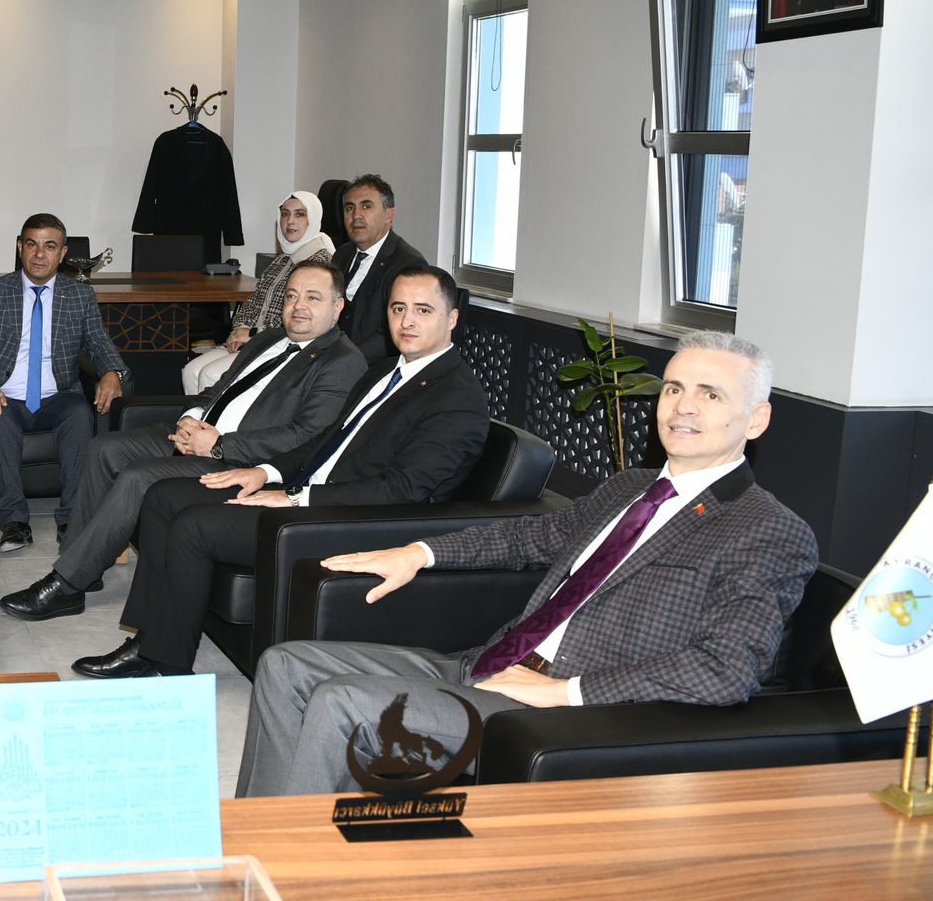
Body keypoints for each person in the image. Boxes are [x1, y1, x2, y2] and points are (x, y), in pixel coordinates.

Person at [240, 331, 818, 797]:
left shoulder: (765, 529)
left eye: (711, 395)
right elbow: (530, 536)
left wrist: (567, 692)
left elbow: (724, 671)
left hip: (563, 711)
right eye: (674, 388)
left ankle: (290, 870)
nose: (683, 407)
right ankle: (257, 847)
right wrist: (420, 552)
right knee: (286, 664)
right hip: (489, 664)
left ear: (756, 419)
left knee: (344, 701)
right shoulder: (629, 487)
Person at [75, 265, 489, 678]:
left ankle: (164, 661)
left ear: (451, 318)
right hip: (307, 491)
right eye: (398, 308)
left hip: (350, 518)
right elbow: (325, 440)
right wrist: (265, 472)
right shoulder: (384, 371)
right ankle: (151, 639)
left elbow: (402, 490)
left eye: (422, 310)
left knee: (194, 525)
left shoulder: (457, 397)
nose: (407, 321)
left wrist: (295, 497)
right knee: (163, 497)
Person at [0, 261, 363, 621]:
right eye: (292, 296)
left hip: (238, 460)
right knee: (103, 448)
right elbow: (218, 389)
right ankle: (84, 567)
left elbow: (305, 435)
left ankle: (66, 585)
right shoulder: (268, 339)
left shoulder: (341, 361)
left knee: (138, 476)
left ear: (337, 307)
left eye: (313, 297)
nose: (298, 306)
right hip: (199, 433)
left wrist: (219, 444)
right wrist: (192, 417)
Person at [0, 213, 130, 553]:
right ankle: (14, 522)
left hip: (57, 397)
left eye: (49, 246)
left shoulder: (79, 295)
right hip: (5, 395)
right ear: (20, 247)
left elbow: (99, 344)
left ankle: (72, 519)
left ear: (62, 253)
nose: (39, 254)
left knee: (80, 413)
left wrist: (113, 372)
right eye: (32, 244)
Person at [182, 190, 338, 393]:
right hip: (252, 340)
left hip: (279, 346)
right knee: (191, 370)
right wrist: (239, 330)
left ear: (313, 220)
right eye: (284, 214)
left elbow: (299, 319)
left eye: (299, 214)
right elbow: (253, 303)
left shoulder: (319, 265)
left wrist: (253, 335)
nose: (290, 221)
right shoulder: (281, 260)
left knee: (209, 375)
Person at [333, 174, 425, 364]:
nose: (356, 216)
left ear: (389, 215)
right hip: (332, 359)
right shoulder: (342, 254)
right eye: (349, 208)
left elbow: (394, 332)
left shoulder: (407, 263)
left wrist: (344, 361)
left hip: (373, 367)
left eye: (366, 206)